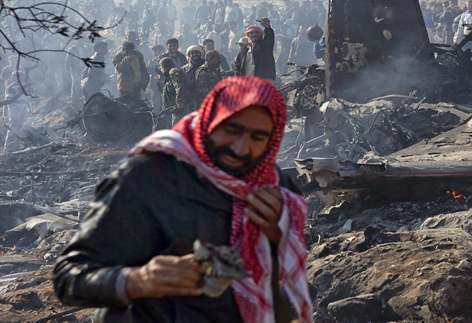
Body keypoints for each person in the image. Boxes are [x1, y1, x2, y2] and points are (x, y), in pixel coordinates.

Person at [54, 77, 313, 323]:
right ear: (210, 121)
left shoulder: (273, 188)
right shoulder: (147, 176)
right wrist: (137, 279)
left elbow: (267, 283)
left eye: (258, 138)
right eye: (231, 130)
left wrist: (277, 237)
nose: (241, 148)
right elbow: (69, 277)